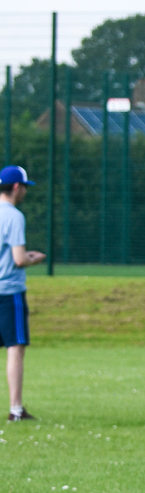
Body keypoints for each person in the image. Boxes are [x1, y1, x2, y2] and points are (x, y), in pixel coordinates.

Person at [0, 166, 45, 422]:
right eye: (25, 187)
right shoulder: (14, 216)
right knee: (15, 348)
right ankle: (16, 410)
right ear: (17, 187)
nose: (25, 191)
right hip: (8, 292)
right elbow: (18, 259)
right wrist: (34, 258)